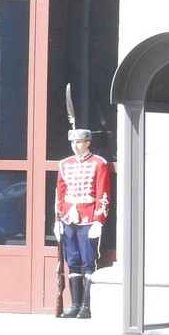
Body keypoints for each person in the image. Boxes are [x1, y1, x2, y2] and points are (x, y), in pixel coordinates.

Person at [55, 128, 111, 319]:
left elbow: (103, 194)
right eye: (73, 142)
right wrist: (58, 220)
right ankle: (75, 305)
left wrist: (99, 221)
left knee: (89, 261)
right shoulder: (65, 164)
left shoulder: (99, 163)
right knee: (72, 261)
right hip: (68, 218)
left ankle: (86, 306)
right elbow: (60, 194)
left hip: (88, 218)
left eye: (79, 142)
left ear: (88, 143)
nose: (75, 146)